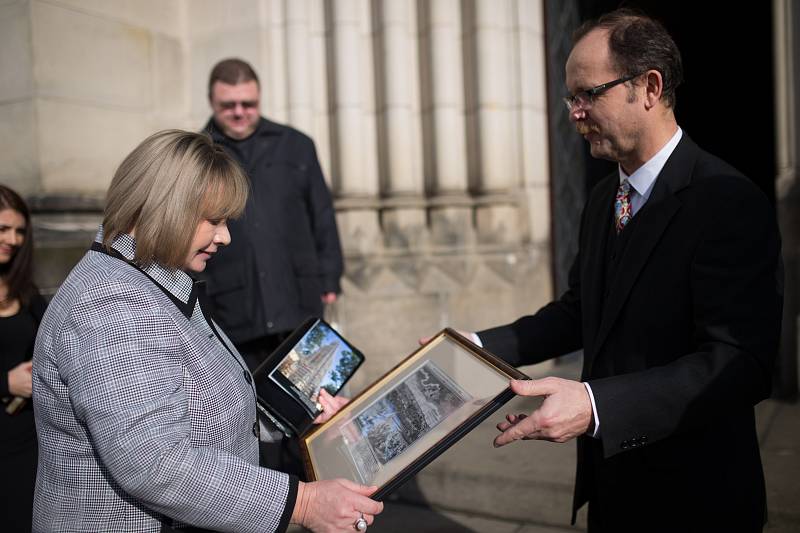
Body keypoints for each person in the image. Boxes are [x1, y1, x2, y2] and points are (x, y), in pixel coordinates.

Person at [462, 9, 782, 532]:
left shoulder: (728, 201)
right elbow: (580, 310)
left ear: (649, 87)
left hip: (696, 499)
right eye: (571, 97)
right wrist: (471, 349)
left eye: (589, 94)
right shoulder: (601, 199)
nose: (574, 113)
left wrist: (593, 405)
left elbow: (739, 363)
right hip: (612, 488)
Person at [32, 130, 382, 533]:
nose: (225, 237)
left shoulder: (155, 280)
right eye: (213, 220)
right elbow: (155, 461)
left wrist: (296, 408)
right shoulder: (113, 303)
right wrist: (303, 503)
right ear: (163, 208)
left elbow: (201, 406)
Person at [199, 58, 346, 477]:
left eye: (248, 102)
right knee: (249, 422)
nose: (240, 112)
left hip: (297, 303)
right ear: (212, 101)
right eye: (229, 105)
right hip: (234, 310)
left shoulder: (296, 145)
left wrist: (330, 276)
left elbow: (322, 214)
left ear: (259, 98)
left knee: (309, 413)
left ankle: (314, 496)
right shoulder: (199, 152)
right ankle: (266, 504)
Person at [0, 184, 47, 533]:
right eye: (3, 229)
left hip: (30, 441)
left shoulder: (25, 291)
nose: (13, 240)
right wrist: (5, 382)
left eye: (19, 231)